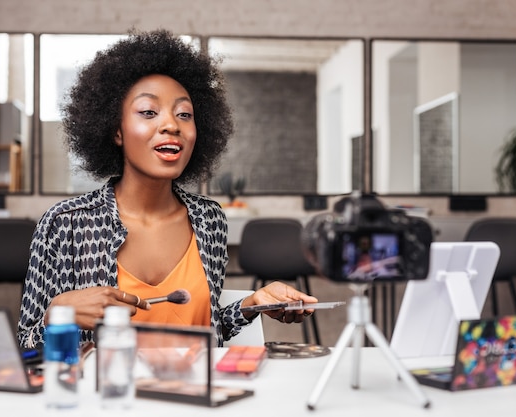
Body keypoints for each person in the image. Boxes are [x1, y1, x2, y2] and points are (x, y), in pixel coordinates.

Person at [18, 29, 318, 349]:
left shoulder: (209, 220)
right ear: (116, 130)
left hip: (196, 393)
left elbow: (205, 325)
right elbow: (26, 343)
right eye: (149, 112)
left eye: (184, 114)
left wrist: (253, 303)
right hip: (110, 394)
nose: (171, 125)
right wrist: (57, 314)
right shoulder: (66, 223)